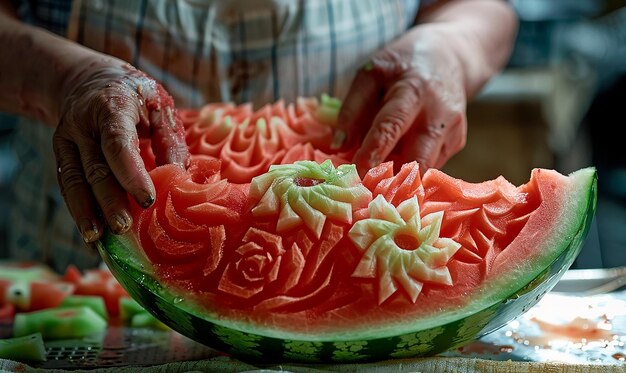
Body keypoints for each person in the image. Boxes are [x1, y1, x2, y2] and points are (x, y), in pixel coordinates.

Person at [0, 0, 518, 272]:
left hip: (355, 264)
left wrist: (450, 45)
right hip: (79, 273)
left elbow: (481, 6)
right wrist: (67, 78)